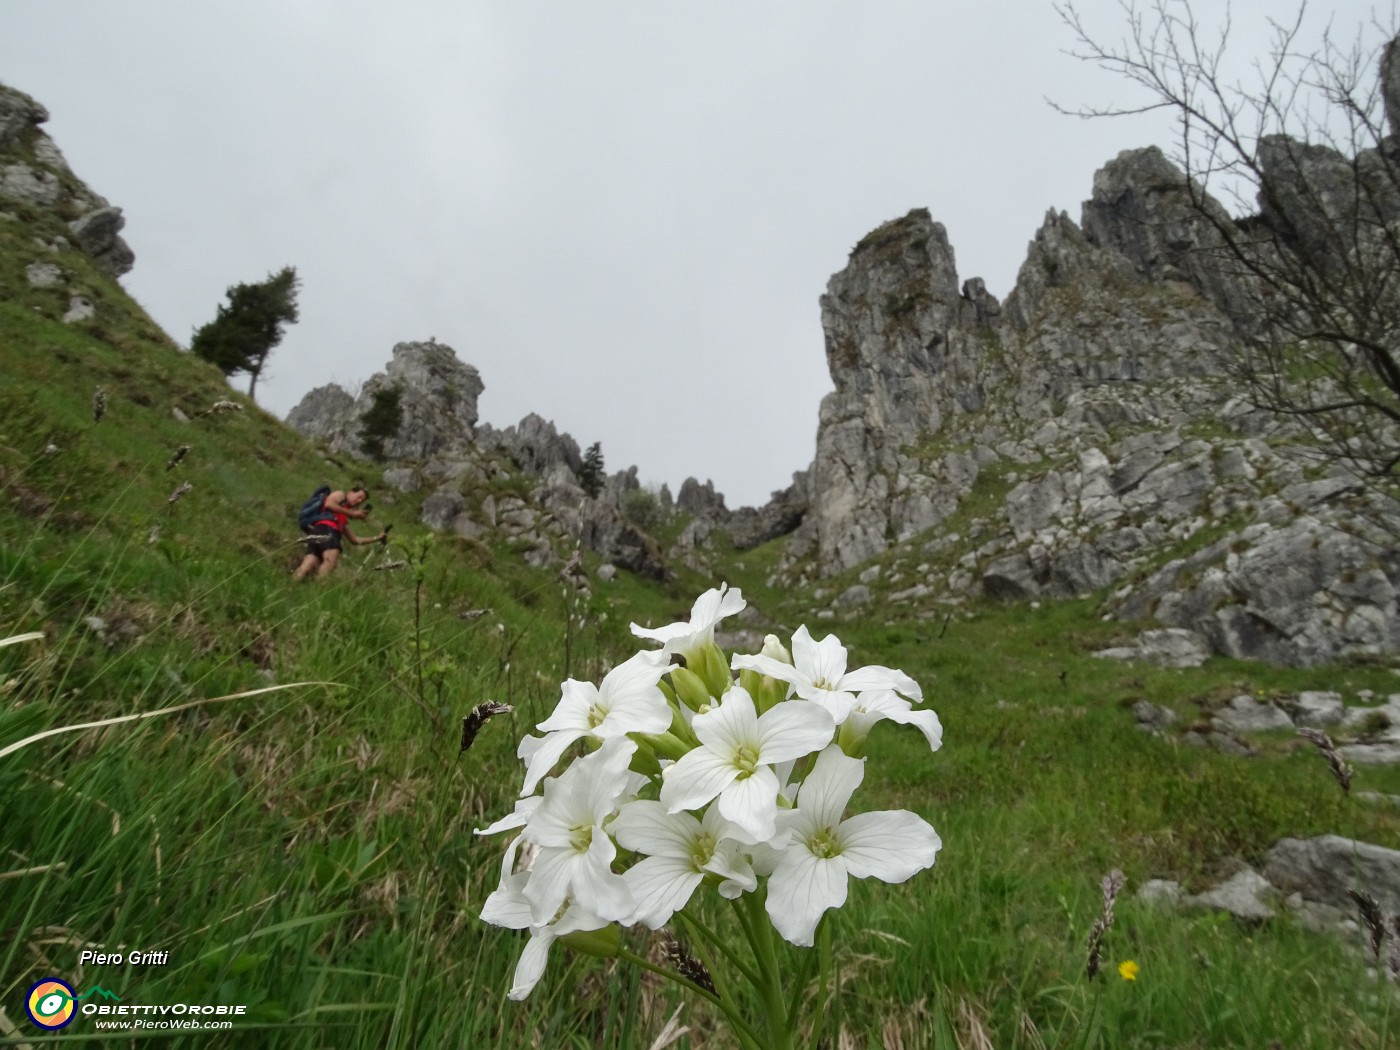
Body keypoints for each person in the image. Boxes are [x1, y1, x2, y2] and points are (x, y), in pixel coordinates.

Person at [293, 486, 386, 579]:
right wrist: (353, 513)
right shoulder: (340, 495)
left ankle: (291, 585)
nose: (359, 501)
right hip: (328, 529)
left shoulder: (341, 519)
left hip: (318, 531)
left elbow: (355, 540)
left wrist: (377, 537)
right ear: (351, 492)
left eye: (362, 501)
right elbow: (329, 504)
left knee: (309, 563)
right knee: (330, 562)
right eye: (359, 497)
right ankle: (317, 588)